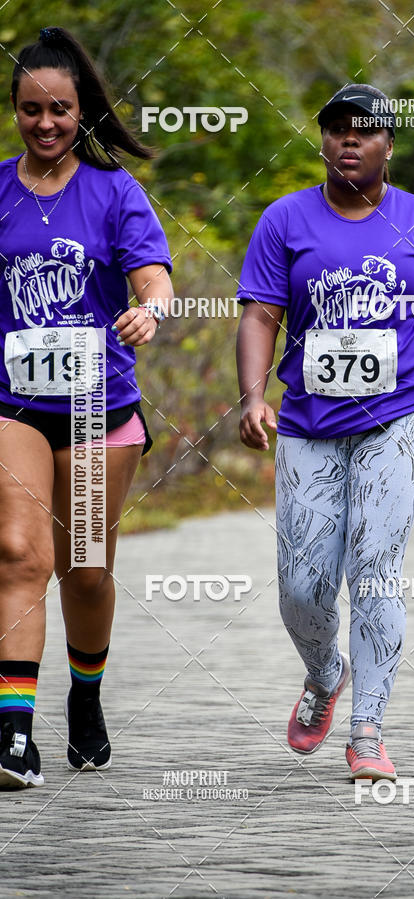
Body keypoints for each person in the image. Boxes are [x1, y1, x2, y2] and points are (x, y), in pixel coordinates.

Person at [236, 84, 414, 781]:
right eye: (337, 129)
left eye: (366, 131)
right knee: (300, 584)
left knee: (374, 570)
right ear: (321, 140)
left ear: (388, 145)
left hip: (401, 418)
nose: (350, 140)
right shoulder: (285, 220)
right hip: (310, 424)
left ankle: (369, 726)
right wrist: (253, 396)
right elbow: (260, 314)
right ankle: (326, 671)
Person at [0, 27, 173, 788]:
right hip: (13, 404)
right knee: (18, 553)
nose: (45, 123)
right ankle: (13, 733)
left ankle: (88, 695)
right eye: (32, 109)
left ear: (83, 112)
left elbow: (156, 279)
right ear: (15, 111)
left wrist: (151, 311)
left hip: (98, 406)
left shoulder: (113, 190)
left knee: (86, 568)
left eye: (60, 110)